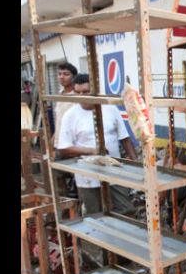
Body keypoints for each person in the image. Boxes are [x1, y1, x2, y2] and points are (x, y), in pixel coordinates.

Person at [56, 74, 137, 216]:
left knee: (125, 210)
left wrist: (136, 163)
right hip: (87, 177)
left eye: (86, 92)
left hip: (114, 170)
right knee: (95, 216)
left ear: (95, 90)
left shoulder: (110, 109)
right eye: (78, 93)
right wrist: (92, 151)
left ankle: (120, 237)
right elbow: (63, 148)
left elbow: (124, 138)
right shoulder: (70, 115)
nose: (82, 96)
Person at [52, 62, 77, 148]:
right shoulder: (60, 94)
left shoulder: (77, 96)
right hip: (59, 143)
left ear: (74, 77)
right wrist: (54, 140)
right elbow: (59, 121)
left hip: (73, 144)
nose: (62, 77)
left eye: (66, 74)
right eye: (59, 74)